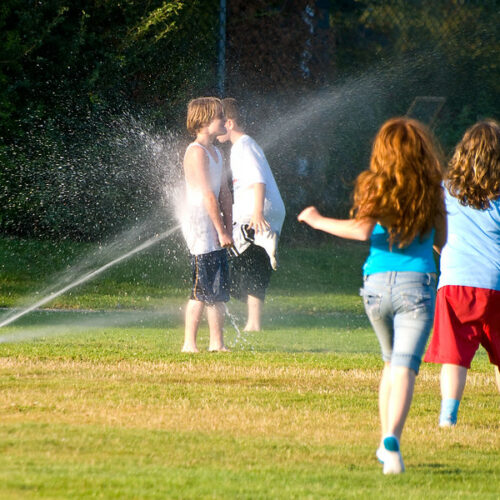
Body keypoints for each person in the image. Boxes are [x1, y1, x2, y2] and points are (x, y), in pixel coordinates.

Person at [298, 117, 446, 474]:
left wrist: (317, 219)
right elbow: (443, 240)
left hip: (376, 288)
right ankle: (392, 439)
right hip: (417, 286)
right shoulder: (432, 187)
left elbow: (363, 230)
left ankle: (384, 442)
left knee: (389, 363)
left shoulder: (375, 186)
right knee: (406, 367)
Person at [424, 119, 500, 426]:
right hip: (495, 285)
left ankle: (448, 416)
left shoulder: (445, 191)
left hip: (455, 284)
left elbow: (435, 234)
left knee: (454, 358)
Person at [218, 98, 286, 332]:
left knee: (242, 261)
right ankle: (253, 322)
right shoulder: (242, 146)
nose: (215, 129)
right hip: (254, 213)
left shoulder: (244, 146)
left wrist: (257, 212)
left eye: (217, 122)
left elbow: (259, 179)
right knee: (248, 263)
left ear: (228, 123)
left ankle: (253, 323)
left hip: (257, 213)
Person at [180, 97, 233, 353]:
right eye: (219, 116)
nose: (224, 120)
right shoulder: (195, 153)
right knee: (201, 289)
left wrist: (229, 228)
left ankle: (217, 343)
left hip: (216, 228)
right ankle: (189, 343)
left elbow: (224, 193)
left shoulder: (216, 152)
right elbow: (207, 196)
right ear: (203, 121)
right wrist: (220, 229)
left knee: (218, 290)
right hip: (202, 228)